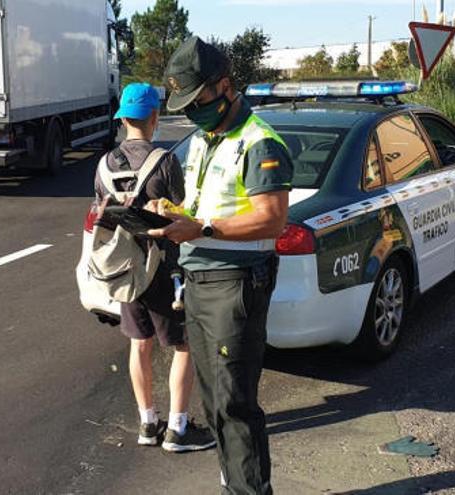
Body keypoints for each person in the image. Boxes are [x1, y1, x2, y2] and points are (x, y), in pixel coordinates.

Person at [149, 37, 294, 494]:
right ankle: (234, 484)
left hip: (235, 286)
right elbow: (202, 206)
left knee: (235, 404)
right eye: (184, 103)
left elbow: (272, 219)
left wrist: (203, 229)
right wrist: (172, 213)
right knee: (213, 403)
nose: (191, 111)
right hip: (198, 281)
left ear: (225, 86)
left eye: (197, 100)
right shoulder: (206, 139)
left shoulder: (259, 141)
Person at [94, 83, 215, 453]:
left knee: (139, 342)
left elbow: (102, 213)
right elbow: (183, 210)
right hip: (164, 268)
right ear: (154, 117)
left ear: (123, 118)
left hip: (127, 269)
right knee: (183, 346)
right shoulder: (165, 162)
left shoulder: (103, 164)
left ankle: (148, 423)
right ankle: (178, 429)